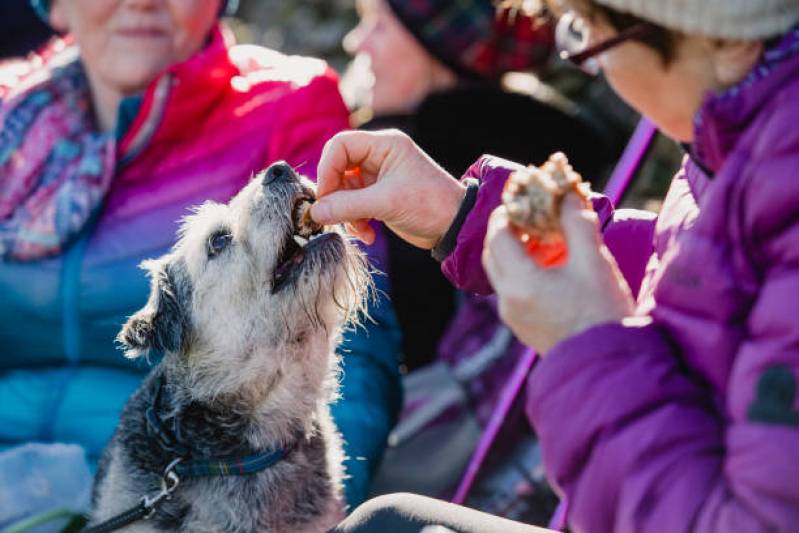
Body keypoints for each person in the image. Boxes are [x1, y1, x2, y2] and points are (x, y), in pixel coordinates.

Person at [314, 0, 799, 531]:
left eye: (587, 33)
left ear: (705, 34)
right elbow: (699, 280)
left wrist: (586, 339)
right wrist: (461, 212)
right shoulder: (740, 138)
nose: (587, 59)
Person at [0, 0, 401, 518]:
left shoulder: (287, 105)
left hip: (186, 502)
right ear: (54, 8)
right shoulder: (8, 119)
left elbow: (351, 330)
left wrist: (320, 510)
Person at [344, 0, 618, 369]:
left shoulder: (410, 179)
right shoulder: (539, 154)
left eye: (380, 26)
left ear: (439, 54)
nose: (356, 43)